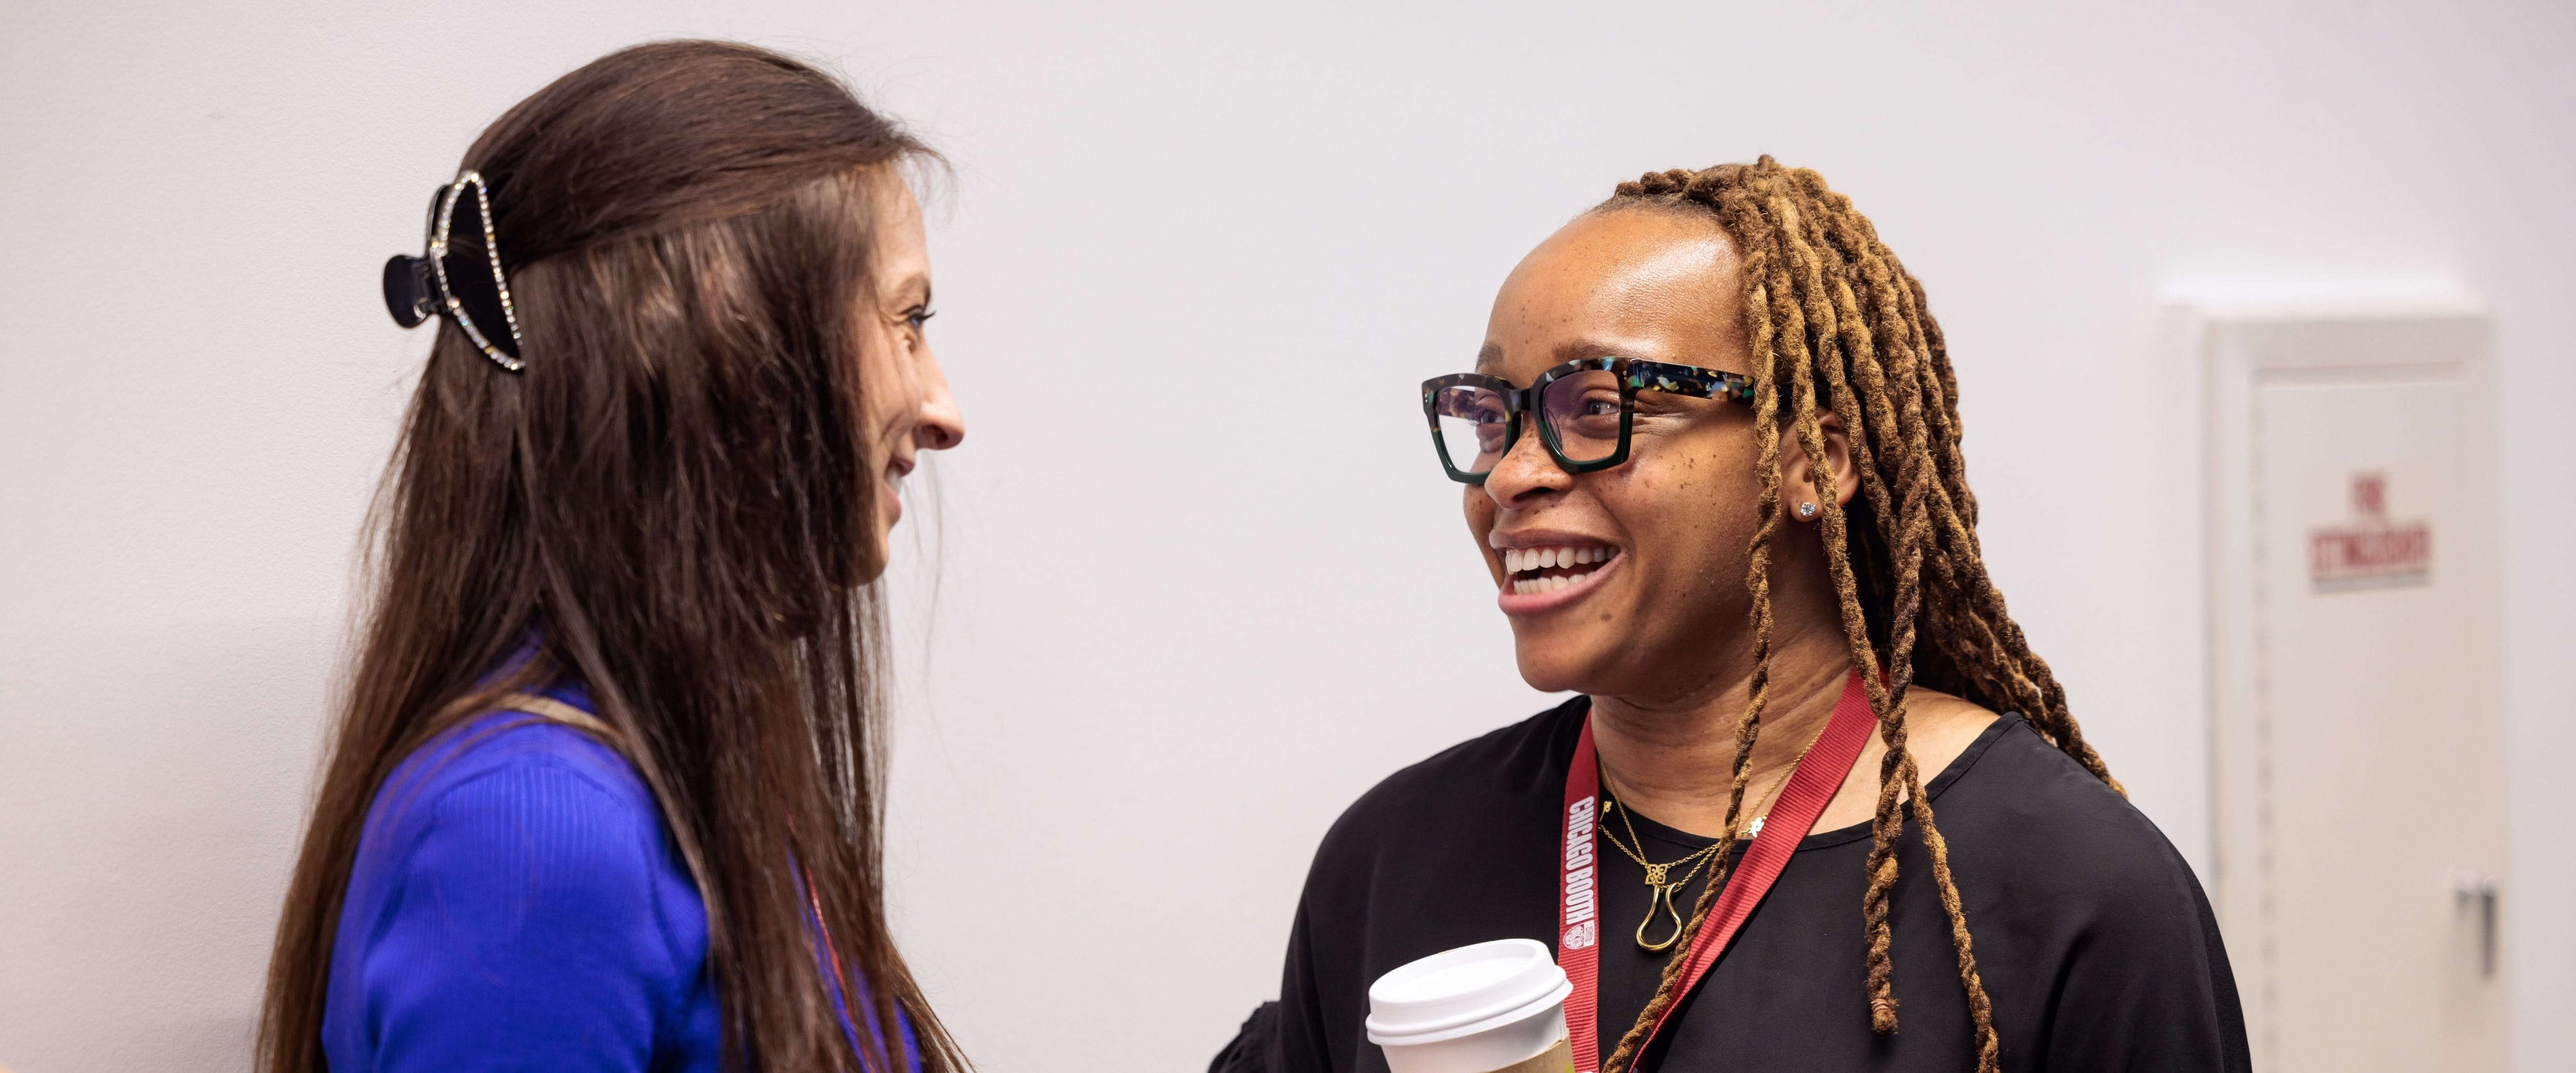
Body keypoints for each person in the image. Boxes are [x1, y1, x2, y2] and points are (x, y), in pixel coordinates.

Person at [1250, 160, 2248, 1072]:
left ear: (1810, 461)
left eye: (1598, 407)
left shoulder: (2073, 891)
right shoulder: (1395, 857)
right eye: (1490, 415)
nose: (1510, 476)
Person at [254, 41, 966, 1073]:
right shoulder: (534, 835)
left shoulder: (667, 770)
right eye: (908, 322)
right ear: (719, 341)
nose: (944, 410)